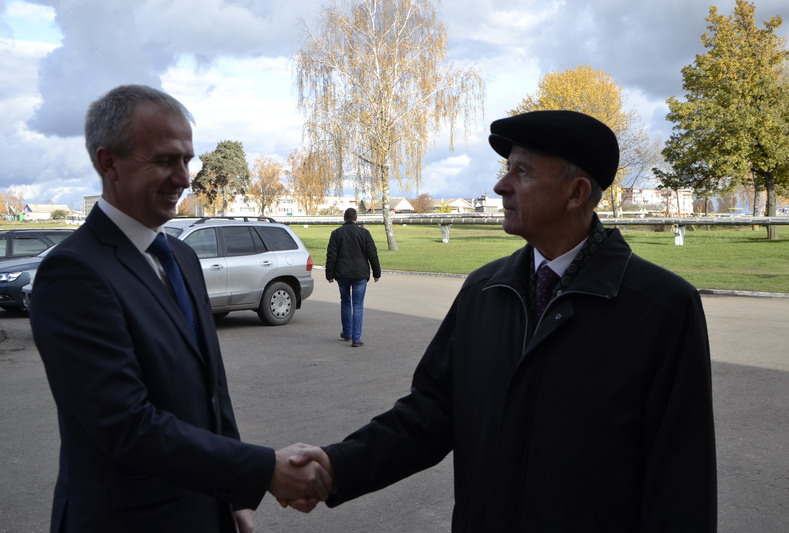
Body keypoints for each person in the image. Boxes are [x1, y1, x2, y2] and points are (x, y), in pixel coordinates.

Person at [295, 110, 717, 531]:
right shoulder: (484, 291)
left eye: (522, 172)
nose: (501, 185)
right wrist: (336, 467)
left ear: (577, 192)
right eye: (506, 169)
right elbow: (430, 414)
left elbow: (682, 482)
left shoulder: (661, 309)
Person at [29, 84, 332, 533]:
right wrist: (262, 469)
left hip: (202, 508)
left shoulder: (181, 256)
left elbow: (213, 393)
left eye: (188, 159)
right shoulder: (73, 273)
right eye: (166, 160)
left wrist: (231, 499)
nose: (185, 177)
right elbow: (124, 424)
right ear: (108, 162)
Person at [325, 207, 381, 347]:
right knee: (358, 306)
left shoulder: (336, 233)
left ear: (344, 218)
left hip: (342, 274)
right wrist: (376, 273)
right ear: (355, 218)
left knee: (345, 302)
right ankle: (356, 339)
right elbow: (372, 254)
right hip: (360, 274)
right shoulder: (364, 233)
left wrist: (329, 274)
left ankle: (347, 333)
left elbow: (331, 255)